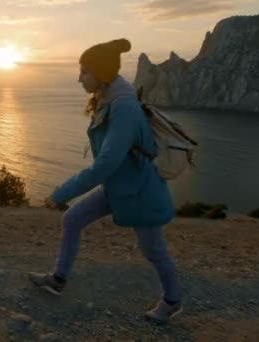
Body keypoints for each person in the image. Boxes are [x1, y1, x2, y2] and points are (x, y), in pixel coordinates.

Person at [28, 38, 183, 323]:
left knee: (154, 251)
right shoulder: (108, 96)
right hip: (118, 188)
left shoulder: (123, 106)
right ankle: (58, 279)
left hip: (139, 192)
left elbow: (106, 164)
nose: (79, 78)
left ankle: (172, 301)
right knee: (72, 220)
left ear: (100, 72)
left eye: (84, 71)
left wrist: (60, 194)